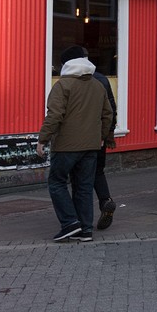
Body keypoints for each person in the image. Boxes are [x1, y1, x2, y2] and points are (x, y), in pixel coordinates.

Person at [37, 52, 114, 242]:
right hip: (91, 146)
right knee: (84, 187)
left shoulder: (63, 85)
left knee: (57, 183)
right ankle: (85, 229)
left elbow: (54, 115)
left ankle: (70, 223)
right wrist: (102, 136)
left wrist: (42, 139)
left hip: (66, 146)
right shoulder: (98, 86)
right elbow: (108, 114)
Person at [60, 46, 119, 230]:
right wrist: (106, 134)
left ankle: (78, 220)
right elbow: (110, 110)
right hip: (98, 134)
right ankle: (105, 200)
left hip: (77, 137)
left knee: (78, 177)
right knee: (97, 171)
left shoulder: (73, 80)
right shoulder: (101, 79)